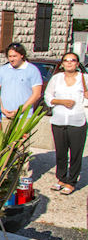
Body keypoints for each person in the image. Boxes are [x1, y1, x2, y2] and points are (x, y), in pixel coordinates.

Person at [44, 52, 88, 195]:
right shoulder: (56, 78)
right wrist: (61, 101)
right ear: (62, 63)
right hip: (59, 120)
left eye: (72, 60)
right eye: (66, 60)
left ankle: (71, 182)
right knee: (61, 152)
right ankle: (61, 179)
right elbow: (48, 97)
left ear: (77, 63)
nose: (69, 63)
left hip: (78, 121)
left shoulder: (84, 78)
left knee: (76, 154)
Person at [0, 42, 43, 122]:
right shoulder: (2, 70)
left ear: (22, 55)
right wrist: (2, 109)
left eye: (14, 56)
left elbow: (36, 94)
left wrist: (20, 110)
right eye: (10, 56)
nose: (12, 59)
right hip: (4, 115)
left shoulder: (32, 70)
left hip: (24, 117)